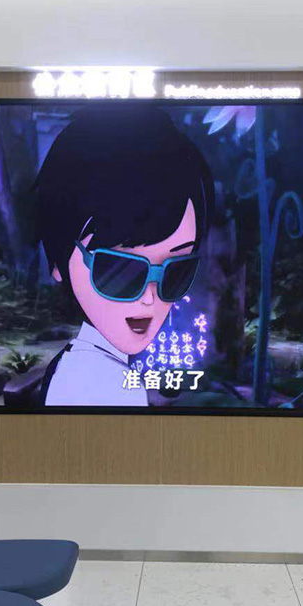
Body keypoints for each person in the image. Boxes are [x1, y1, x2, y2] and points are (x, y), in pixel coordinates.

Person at [35, 105, 214, 407]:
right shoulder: (105, 384)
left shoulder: (79, 364)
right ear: (57, 262)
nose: (150, 297)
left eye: (177, 271)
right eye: (120, 270)